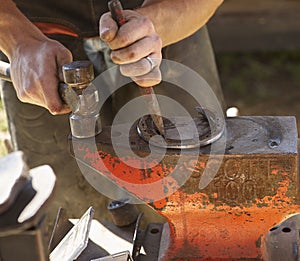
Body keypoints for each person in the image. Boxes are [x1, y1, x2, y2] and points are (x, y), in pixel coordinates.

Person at [0, 0, 225, 233]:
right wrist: (17, 38)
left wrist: (159, 21)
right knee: (62, 227)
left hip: (170, 18)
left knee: (198, 216)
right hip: (36, 37)